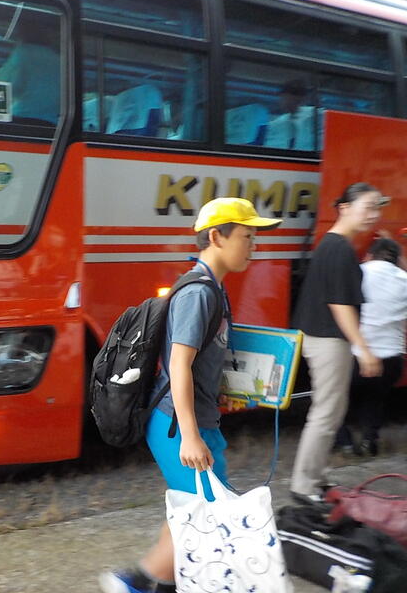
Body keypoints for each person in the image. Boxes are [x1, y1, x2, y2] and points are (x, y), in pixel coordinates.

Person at [99, 198, 282, 593]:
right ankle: (136, 582)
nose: (254, 246)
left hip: (195, 420)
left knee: (195, 507)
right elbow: (178, 365)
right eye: (247, 237)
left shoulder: (214, 288)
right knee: (209, 513)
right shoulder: (198, 293)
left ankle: (152, 582)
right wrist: (191, 436)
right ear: (217, 237)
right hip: (177, 426)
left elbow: (200, 364)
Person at [290, 182, 387, 500]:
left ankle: (316, 478)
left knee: (331, 410)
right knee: (326, 413)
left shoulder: (334, 244)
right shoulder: (339, 248)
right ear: (344, 209)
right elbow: (339, 304)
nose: (373, 214)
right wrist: (364, 349)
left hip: (323, 338)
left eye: (377, 207)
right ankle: (304, 486)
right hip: (328, 340)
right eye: (367, 207)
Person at [335, 236, 407, 456]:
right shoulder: (404, 279)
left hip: (359, 356)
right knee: (374, 398)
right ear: (397, 260)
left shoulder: (359, 272)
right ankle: (370, 440)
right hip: (392, 360)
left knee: (332, 398)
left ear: (368, 255)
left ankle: (345, 443)